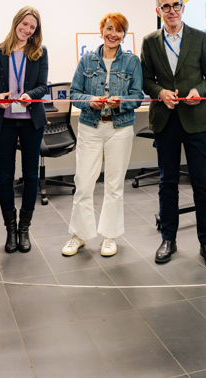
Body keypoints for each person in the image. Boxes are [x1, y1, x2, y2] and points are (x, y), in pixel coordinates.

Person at [140, 0, 206, 268]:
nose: (172, 10)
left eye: (176, 5)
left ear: (183, 8)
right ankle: (168, 239)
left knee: (202, 184)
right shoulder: (150, 42)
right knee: (167, 184)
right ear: (158, 11)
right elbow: (145, 81)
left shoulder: (200, 38)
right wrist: (160, 92)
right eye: (166, 6)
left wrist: (199, 90)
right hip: (165, 121)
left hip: (196, 121)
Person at [62, 13, 143, 258]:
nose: (113, 34)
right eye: (109, 29)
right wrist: (90, 101)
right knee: (84, 183)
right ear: (101, 30)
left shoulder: (132, 62)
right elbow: (74, 93)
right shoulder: (87, 60)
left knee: (114, 185)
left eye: (119, 31)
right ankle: (80, 234)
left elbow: (137, 96)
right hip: (90, 127)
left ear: (124, 35)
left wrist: (122, 102)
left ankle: (109, 236)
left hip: (119, 128)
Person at [0, 6, 49, 253]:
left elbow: (43, 86)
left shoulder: (40, 53)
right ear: (16, 22)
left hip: (31, 121)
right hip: (5, 122)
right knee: (5, 176)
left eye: (32, 27)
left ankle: (24, 230)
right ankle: (10, 230)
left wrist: (31, 94)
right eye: (24, 24)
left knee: (31, 175)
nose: (27, 30)